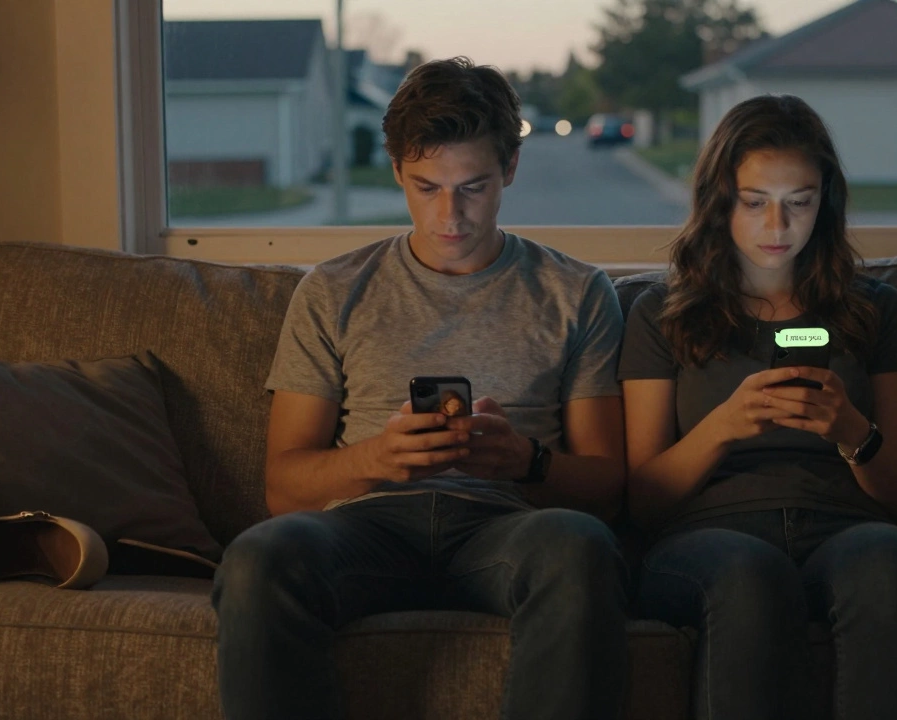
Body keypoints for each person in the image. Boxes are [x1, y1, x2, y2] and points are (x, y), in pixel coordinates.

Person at [212, 57, 630, 720]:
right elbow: (282, 487)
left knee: (579, 546)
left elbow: (607, 486)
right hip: (366, 529)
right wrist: (379, 458)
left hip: (508, 531)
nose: (450, 215)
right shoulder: (332, 290)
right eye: (426, 186)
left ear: (510, 170)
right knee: (260, 557)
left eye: (473, 187)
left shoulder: (577, 292)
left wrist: (528, 462)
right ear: (397, 168)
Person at [618, 94, 897, 720]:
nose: (778, 228)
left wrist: (853, 432)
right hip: (709, 537)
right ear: (720, 202)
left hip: (844, 525)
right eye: (755, 202)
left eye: (799, 202)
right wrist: (723, 428)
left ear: (825, 202)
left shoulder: (877, 311)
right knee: (749, 575)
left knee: (895, 562)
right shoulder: (660, 316)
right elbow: (643, 501)